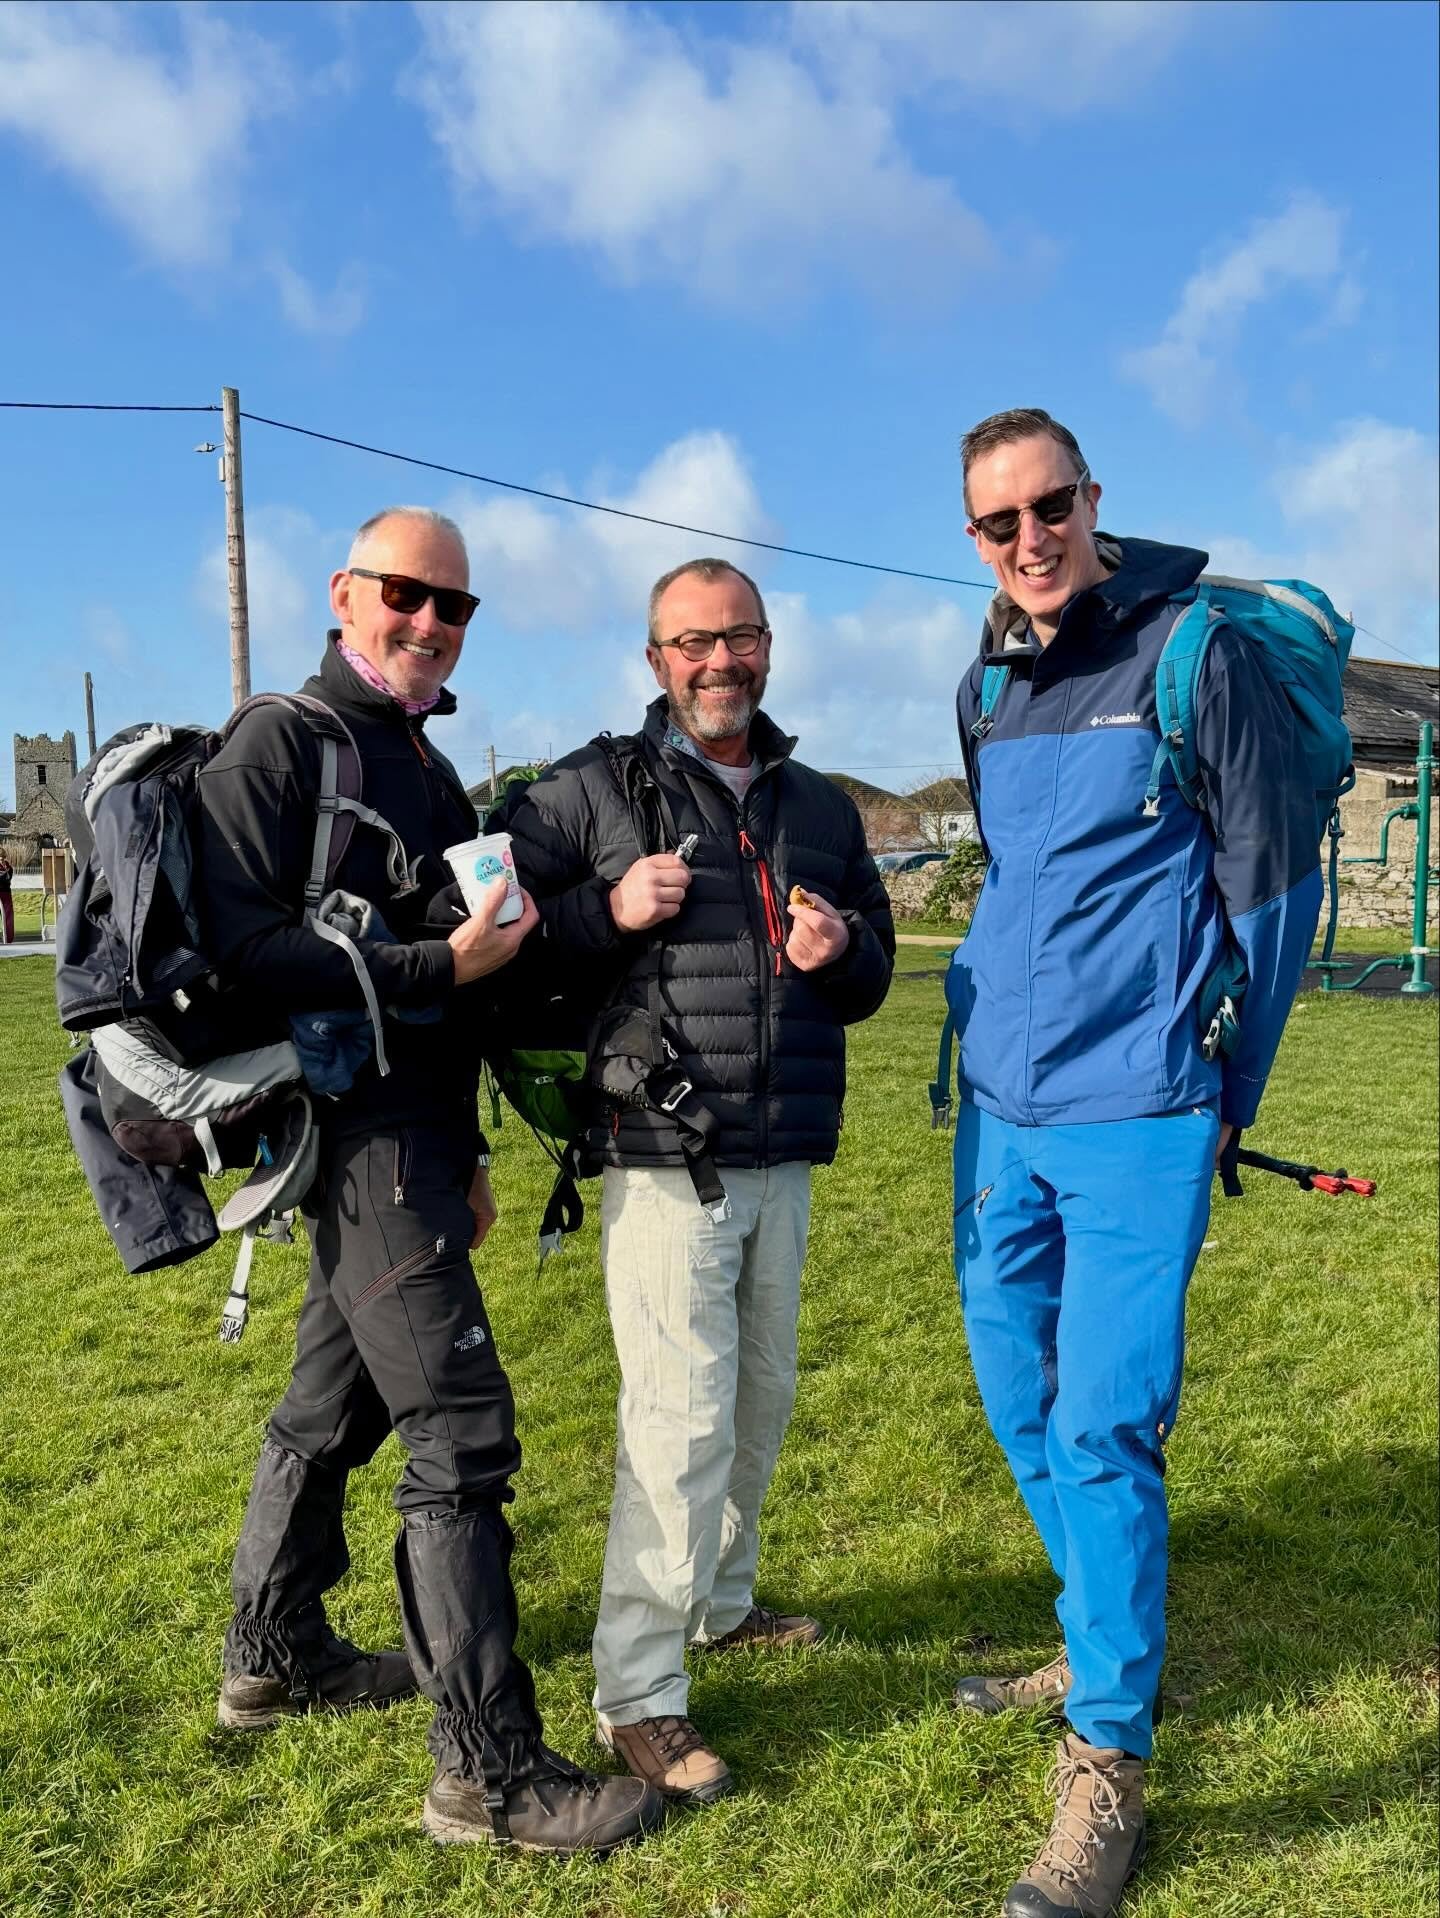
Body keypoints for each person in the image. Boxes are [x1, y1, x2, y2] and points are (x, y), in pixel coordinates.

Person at [197, 506, 664, 1857]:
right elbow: (238, 946)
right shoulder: (282, 741)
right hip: (349, 1145)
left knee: (328, 1408)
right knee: (458, 1439)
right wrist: (431, 970)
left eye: (456, 608)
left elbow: (466, 985)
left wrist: (460, 1148)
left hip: (408, 1144)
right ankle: (490, 1773)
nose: (430, 623)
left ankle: (272, 1651)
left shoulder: (425, 767)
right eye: (407, 594)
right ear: (344, 591)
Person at [946, 410, 1322, 1917]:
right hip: (999, 1111)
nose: (1029, 537)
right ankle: (1098, 1620)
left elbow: (1278, 892)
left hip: (1143, 1114)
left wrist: (1226, 1090)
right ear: (971, 535)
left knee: (1104, 1420)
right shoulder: (982, 681)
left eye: (1050, 505)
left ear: (1094, 500)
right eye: (996, 520)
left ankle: (1105, 1754)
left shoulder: (1188, 654)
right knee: (1017, 1395)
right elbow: (1015, 876)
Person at [498, 556, 895, 1805]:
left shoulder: (821, 807)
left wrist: (842, 956)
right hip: (665, 1158)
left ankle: (720, 1605)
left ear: (769, 646)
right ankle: (639, 1691)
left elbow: (875, 973)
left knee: (759, 1403)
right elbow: (493, 943)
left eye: (741, 639)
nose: (720, 663)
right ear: (656, 658)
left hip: (786, 1157)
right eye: (693, 643)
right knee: (677, 1424)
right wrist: (606, 910)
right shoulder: (588, 791)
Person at [0, 848, 13, 944]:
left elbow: (7, 878)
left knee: (8, 916)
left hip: (6, 892)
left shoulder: (9, 868)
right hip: (3, 891)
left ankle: (8, 938)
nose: (2, 860)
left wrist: (5, 871)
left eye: (3, 858)